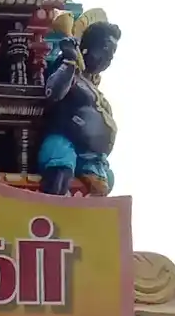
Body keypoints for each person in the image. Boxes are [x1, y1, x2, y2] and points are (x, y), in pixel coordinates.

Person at [39, 17, 120, 195]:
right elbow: (53, 93)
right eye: (105, 50)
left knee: (103, 183)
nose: (108, 58)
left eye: (112, 55)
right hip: (64, 143)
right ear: (88, 46)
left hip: (93, 157)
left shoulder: (92, 85)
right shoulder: (70, 68)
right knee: (61, 163)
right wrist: (69, 61)